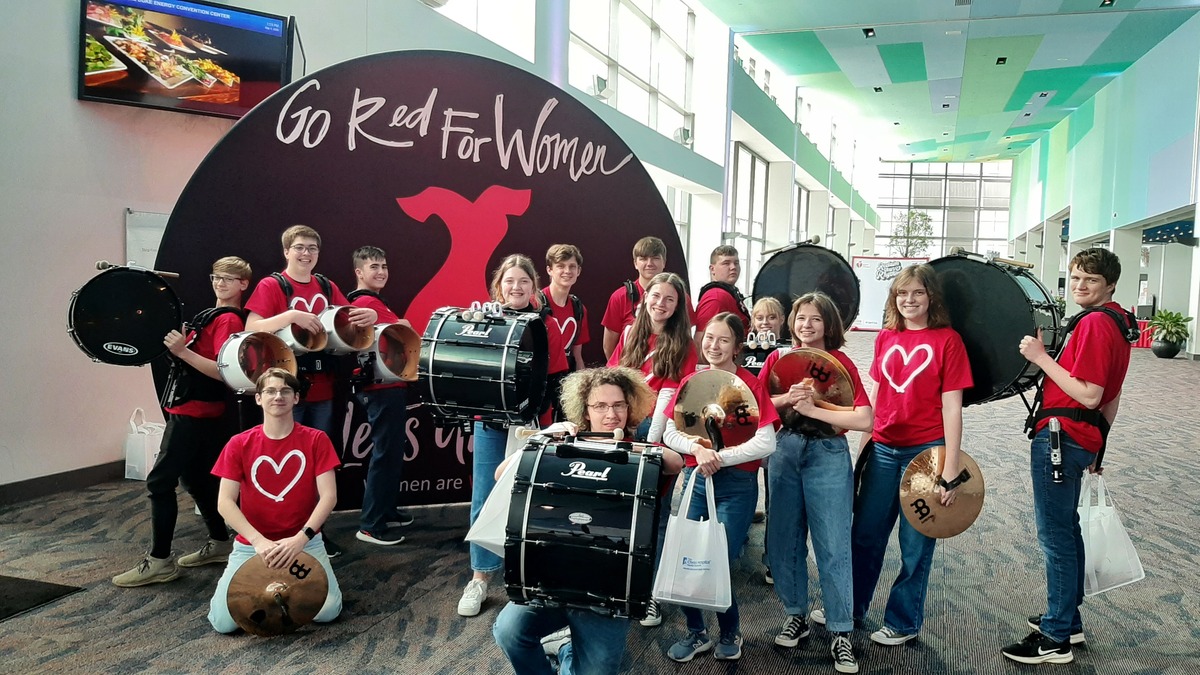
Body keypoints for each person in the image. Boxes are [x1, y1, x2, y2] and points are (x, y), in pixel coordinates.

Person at [1002, 248, 1134, 665]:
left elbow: (1091, 393)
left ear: (1109, 285)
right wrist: (1100, 442)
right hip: (1081, 438)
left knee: (1055, 536)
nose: (1080, 286)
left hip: (1061, 437)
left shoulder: (1095, 324)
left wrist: (1040, 359)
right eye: (1075, 278)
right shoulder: (1117, 322)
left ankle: (1055, 638)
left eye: (1090, 280)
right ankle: (1067, 620)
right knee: (1066, 530)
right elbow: (1109, 398)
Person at [492, 366, 669, 674]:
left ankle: (567, 652)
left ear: (630, 407)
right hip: (552, 578)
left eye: (618, 405)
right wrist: (546, 437)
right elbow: (500, 474)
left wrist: (633, 449)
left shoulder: (641, 457)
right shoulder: (561, 445)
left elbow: (674, 462)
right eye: (600, 405)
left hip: (609, 590)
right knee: (509, 631)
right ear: (585, 410)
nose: (610, 413)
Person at [850, 264, 972, 646]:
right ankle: (850, 607)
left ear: (930, 297)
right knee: (865, 535)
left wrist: (950, 468)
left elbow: (952, 407)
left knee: (915, 543)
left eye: (917, 293)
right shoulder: (887, 337)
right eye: (902, 294)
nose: (909, 300)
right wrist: (867, 438)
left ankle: (903, 621)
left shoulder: (948, 340)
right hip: (884, 449)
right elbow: (875, 392)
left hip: (925, 454)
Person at [113, 257, 251, 587]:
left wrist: (183, 352)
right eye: (216, 277)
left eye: (229, 279)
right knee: (198, 481)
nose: (220, 283)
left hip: (194, 414)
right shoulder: (212, 315)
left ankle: (160, 561)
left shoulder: (229, 320)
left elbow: (225, 372)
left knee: (160, 482)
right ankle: (219, 542)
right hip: (192, 411)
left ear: (243, 284)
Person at [244, 225, 376, 557]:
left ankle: (313, 533)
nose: (306, 253)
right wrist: (290, 316)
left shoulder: (327, 286)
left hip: (324, 389)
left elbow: (348, 322)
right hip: (284, 389)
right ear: (286, 251)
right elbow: (251, 327)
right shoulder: (272, 285)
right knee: (283, 459)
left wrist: (369, 315)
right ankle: (282, 532)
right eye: (300, 247)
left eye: (313, 248)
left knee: (318, 466)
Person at [760, 292, 873, 674]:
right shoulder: (778, 360)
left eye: (815, 319)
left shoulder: (840, 363)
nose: (806, 326)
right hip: (785, 452)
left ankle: (841, 630)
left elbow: (865, 420)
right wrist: (785, 401)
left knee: (833, 543)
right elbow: (756, 407)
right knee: (783, 540)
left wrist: (815, 408)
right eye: (800, 318)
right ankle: (796, 614)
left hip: (827, 453)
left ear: (829, 325)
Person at [661, 312, 780, 663]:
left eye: (723, 340)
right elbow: (669, 432)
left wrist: (720, 457)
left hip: (737, 485)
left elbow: (767, 442)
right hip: (698, 481)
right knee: (689, 556)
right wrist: (698, 450)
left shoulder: (750, 383)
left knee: (718, 562)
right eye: (709, 338)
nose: (714, 345)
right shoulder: (692, 381)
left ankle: (730, 631)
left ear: (737, 346)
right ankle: (696, 632)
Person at [458, 254, 562, 618]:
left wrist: (540, 419)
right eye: (509, 281)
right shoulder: (484, 318)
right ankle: (480, 577)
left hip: (530, 421)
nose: (516, 288)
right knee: (484, 493)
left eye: (523, 282)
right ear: (498, 286)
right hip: (489, 420)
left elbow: (557, 377)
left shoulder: (546, 324)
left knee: (531, 499)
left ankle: (529, 576)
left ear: (534, 287)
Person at [206, 368, 342, 633]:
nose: (277, 396)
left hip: (304, 543)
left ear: (296, 398)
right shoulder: (239, 443)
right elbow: (224, 502)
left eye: (285, 391)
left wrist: (301, 538)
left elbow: (329, 496)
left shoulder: (316, 440)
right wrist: (259, 542)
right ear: (258, 398)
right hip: (252, 546)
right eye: (270, 390)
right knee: (224, 624)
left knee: (327, 612)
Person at [347, 246, 415, 546]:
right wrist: (396, 322)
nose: (381, 271)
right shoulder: (364, 302)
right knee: (385, 453)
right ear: (359, 272)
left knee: (389, 452)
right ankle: (371, 524)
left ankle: (385, 511)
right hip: (380, 387)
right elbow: (406, 329)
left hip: (389, 385)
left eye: (384, 266)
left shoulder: (375, 304)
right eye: (374, 266)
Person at [607, 272, 698, 444]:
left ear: (678, 305)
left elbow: (670, 394)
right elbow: (612, 377)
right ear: (646, 297)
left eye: (669, 299)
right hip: (621, 421)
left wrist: (652, 441)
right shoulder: (629, 333)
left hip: (653, 424)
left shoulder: (685, 345)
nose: (660, 303)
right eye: (656, 295)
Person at [600, 236, 694, 360]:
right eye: (643, 259)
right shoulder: (620, 297)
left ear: (664, 262)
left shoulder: (681, 297)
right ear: (635, 263)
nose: (649, 264)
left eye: (655, 258)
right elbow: (609, 346)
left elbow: (685, 336)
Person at [538, 244, 590, 423]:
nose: (567, 271)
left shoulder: (579, 309)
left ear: (579, 271)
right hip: (539, 383)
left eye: (572, 267)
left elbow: (577, 356)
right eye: (561, 266)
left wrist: (582, 391)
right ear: (549, 270)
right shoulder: (535, 304)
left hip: (564, 385)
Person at [694, 245, 751, 362]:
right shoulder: (716, 298)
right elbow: (701, 341)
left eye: (736, 263)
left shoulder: (730, 293)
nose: (733, 267)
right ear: (712, 269)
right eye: (726, 263)